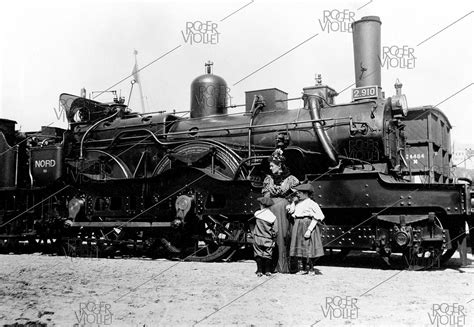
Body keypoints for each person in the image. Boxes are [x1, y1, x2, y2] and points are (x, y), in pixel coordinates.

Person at [262, 149, 299, 273]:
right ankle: (271, 266)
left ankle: (284, 266)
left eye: (272, 165)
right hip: (271, 211)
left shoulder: (291, 179)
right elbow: (265, 197)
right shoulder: (268, 179)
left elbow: (297, 195)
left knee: (283, 237)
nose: (270, 168)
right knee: (272, 236)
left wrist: (293, 203)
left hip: (284, 213)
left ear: (280, 166)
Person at [287, 183, 325, 275]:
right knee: (300, 247)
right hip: (298, 224)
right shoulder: (298, 203)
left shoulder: (312, 203)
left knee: (309, 247)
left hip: (307, 224)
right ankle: (303, 269)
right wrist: (293, 202)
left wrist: (309, 229)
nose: (297, 194)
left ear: (306, 193)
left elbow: (320, 216)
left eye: (299, 192)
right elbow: (292, 212)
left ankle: (311, 269)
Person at [251, 197, 278, 277]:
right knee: (268, 254)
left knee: (258, 253)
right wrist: (273, 237)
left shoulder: (257, 214)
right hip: (268, 239)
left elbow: (252, 222)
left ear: (261, 205)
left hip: (258, 238)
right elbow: (275, 230)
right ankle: (267, 271)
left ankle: (259, 271)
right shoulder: (273, 217)